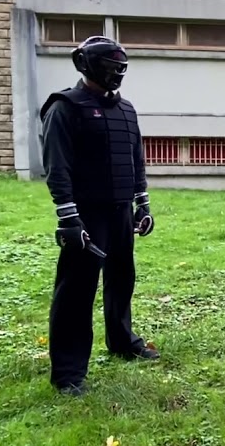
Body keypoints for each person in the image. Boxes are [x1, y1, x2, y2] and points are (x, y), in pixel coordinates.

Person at [39, 34, 158, 396]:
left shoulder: (127, 110)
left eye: (120, 67)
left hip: (122, 212)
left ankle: (122, 342)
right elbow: (57, 167)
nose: (116, 73)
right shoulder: (65, 107)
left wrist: (142, 204)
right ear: (88, 65)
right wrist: (69, 219)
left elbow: (135, 159)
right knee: (76, 293)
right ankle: (68, 374)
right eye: (110, 66)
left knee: (122, 281)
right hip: (87, 216)